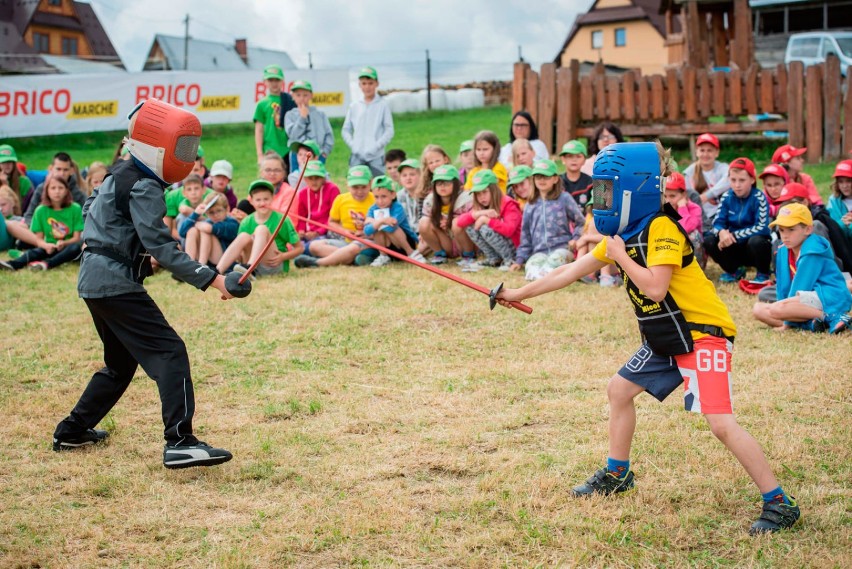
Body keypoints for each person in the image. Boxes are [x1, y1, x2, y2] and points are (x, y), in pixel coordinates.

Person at [495, 141, 801, 535]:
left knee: (721, 424)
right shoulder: (622, 235)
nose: (599, 199)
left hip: (703, 334)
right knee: (619, 391)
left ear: (631, 190)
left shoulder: (660, 228)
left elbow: (656, 288)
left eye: (606, 190)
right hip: (666, 335)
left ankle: (779, 502)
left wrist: (620, 257)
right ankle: (617, 474)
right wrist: (516, 294)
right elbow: (568, 271)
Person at [51, 99, 237, 469]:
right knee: (170, 352)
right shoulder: (144, 185)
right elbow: (163, 247)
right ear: (159, 147)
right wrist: (215, 279)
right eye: (182, 148)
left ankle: (71, 431)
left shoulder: (116, 175)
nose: (187, 156)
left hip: (93, 278)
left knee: (120, 364)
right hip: (115, 283)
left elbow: (93, 215)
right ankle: (180, 441)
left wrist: (129, 252)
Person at [753, 202, 851, 333]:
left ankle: (831, 317)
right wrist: (785, 310)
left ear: (808, 229)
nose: (785, 235)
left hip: (828, 296)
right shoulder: (783, 250)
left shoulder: (813, 250)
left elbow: (800, 287)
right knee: (758, 309)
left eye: (791, 229)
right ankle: (812, 324)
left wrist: (786, 319)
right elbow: (782, 286)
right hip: (804, 300)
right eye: (781, 230)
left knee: (777, 309)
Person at [510, 159, 585, 281]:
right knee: (531, 267)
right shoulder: (530, 204)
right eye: (538, 177)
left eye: (546, 177)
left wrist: (575, 239)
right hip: (539, 252)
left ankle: (550, 278)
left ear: (555, 179)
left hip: (562, 249)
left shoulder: (564, 198)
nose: (542, 180)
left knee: (554, 262)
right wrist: (519, 260)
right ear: (533, 179)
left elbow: (580, 222)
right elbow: (526, 236)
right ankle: (545, 278)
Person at [703, 157, 772, 283]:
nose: (737, 185)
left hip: (752, 247)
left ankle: (763, 273)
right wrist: (722, 232)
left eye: (742, 180)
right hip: (733, 247)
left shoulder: (759, 197)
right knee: (709, 240)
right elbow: (717, 223)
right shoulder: (726, 196)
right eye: (733, 180)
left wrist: (732, 235)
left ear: (752, 179)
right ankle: (734, 271)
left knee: (757, 241)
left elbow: (762, 227)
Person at [216, 179, 303, 277]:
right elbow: (241, 252)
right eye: (258, 200)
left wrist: (283, 256)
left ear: (272, 199)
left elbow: (299, 248)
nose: (262, 203)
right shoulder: (246, 221)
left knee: (261, 229)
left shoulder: (283, 219)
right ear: (251, 201)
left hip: (272, 264)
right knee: (244, 235)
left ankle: (250, 267)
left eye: (266, 199)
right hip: (250, 265)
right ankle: (217, 271)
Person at [295, 165, 376, 268]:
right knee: (314, 246)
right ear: (347, 185)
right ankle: (350, 259)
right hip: (346, 241)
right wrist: (344, 231)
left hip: (367, 242)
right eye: (355, 187)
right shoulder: (341, 199)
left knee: (353, 249)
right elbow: (332, 222)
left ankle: (318, 263)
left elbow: (382, 228)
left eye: (363, 187)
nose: (359, 191)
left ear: (370, 183)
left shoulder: (375, 200)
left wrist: (368, 234)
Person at [0, 174, 82, 271]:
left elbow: (76, 238)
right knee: (34, 252)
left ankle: (46, 264)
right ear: (46, 190)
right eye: (53, 188)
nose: (57, 191)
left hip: (67, 247)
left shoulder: (75, 208)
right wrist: (46, 245)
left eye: (61, 188)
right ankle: (12, 264)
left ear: (66, 191)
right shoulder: (40, 210)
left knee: (75, 248)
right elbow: (38, 239)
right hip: (49, 246)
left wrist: (64, 243)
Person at [454, 169, 521, 269]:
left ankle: (510, 260)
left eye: (484, 192)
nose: (481, 197)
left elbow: (509, 230)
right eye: (478, 194)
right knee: (470, 226)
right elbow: (460, 222)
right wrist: (481, 213)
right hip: (502, 245)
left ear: (494, 190)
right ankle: (494, 259)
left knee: (484, 227)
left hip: (516, 248)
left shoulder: (508, 204)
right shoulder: (481, 205)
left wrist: (487, 220)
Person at [342, 66, 394, 176]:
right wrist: (353, 145)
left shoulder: (382, 105)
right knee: (357, 187)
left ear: (376, 84)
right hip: (357, 156)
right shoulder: (354, 106)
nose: (367, 87)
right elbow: (345, 130)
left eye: (370, 83)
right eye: (364, 83)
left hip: (376, 156)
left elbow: (389, 130)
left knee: (377, 188)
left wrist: (376, 146)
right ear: (359, 85)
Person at [418, 164, 474, 265]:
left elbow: (474, 220)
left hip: (465, 241)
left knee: (457, 222)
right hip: (446, 240)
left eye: (447, 183)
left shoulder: (466, 199)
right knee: (423, 222)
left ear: (456, 184)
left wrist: (450, 221)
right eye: (439, 183)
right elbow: (426, 225)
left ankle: (469, 255)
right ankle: (439, 254)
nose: (442, 186)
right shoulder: (430, 201)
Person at [364, 175, 424, 266]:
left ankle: (412, 253)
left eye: (384, 196)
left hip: (406, 243)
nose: (380, 201)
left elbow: (391, 227)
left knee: (390, 227)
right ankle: (383, 256)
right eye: (376, 197)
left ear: (393, 194)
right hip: (390, 248)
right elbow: (367, 231)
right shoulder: (372, 209)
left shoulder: (398, 207)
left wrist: (376, 221)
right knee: (377, 229)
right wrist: (380, 222)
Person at [284, 79, 334, 175]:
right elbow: (293, 135)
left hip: (317, 153)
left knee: (316, 177)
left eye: (305, 95)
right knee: (297, 178)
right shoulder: (290, 115)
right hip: (297, 154)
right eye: (298, 95)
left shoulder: (320, 114)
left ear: (311, 95)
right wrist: (302, 118)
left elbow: (329, 134)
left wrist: (325, 152)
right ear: (293, 96)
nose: (302, 98)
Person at [23, 152, 86, 224]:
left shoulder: (78, 193)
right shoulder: (41, 189)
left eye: (65, 170)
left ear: (71, 171)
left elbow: (85, 217)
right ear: (50, 168)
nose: (62, 173)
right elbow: (29, 215)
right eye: (58, 169)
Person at [682, 133, 730, 226]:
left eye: (709, 150)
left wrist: (706, 196)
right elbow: (687, 196)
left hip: (720, 214)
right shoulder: (689, 173)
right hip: (699, 216)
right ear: (696, 152)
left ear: (716, 152)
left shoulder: (722, 168)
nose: (705, 154)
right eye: (702, 150)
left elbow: (729, 179)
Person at [180, 193, 239, 268]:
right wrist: (195, 214)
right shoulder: (208, 222)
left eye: (219, 210)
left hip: (223, 261)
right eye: (211, 212)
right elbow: (182, 232)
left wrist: (197, 224)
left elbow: (210, 228)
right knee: (192, 230)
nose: (215, 215)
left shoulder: (232, 223)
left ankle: (201, 265)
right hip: (210, 260)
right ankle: (189, 265)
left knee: (206, 230)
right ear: (207, 213)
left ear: (227, 209)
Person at [254, 64, 294, 166]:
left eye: (277, 80)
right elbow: (259, 129)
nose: (274, 83)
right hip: (270, 149)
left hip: (288, 148)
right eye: (270, 80)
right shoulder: (262, 104)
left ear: (282, 81)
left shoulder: (290, 100)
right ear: (265, 82)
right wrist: (259, 154)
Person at [665, 172, 706, 268]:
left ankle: (695, 268)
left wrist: (682, 207)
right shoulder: (665, 207)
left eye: (672, 196)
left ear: (684, 195)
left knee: (693, 235)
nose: (668, 201)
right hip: (672, 251)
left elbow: (685, 228)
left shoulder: (694, 208)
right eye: (665, 196)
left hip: (691, 253)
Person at [295, 160, 340, 246]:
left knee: (315, 245)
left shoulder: (332, 189)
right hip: (307, 233)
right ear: (305, 179)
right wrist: (301, 231)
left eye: (317, 178)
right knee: (295, 246)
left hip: (326, 232)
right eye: (310, 178)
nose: (314, 182)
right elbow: (301, 218)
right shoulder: (302, 194)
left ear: (323, 178)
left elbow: (334, 218)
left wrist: (318, 232)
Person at [559, 140, 593, 208]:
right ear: (563, 159)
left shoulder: (590, 182)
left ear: (584, 160)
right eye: (570, 156)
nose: (574, 160)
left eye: (578, 156)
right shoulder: (556, 181)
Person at [826, 160, 852, 247]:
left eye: (848, 181)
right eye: (841, 181)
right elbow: (832, 227)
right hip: (843, 248)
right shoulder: (833, 202)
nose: (845, 186)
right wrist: (843, 223)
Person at [396, 158, 422, 233]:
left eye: (412, 174)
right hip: (407, 232)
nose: (408, 178)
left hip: (422, 232)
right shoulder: (398, 196)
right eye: (404, 175)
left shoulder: (426, 194)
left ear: (421, 176)